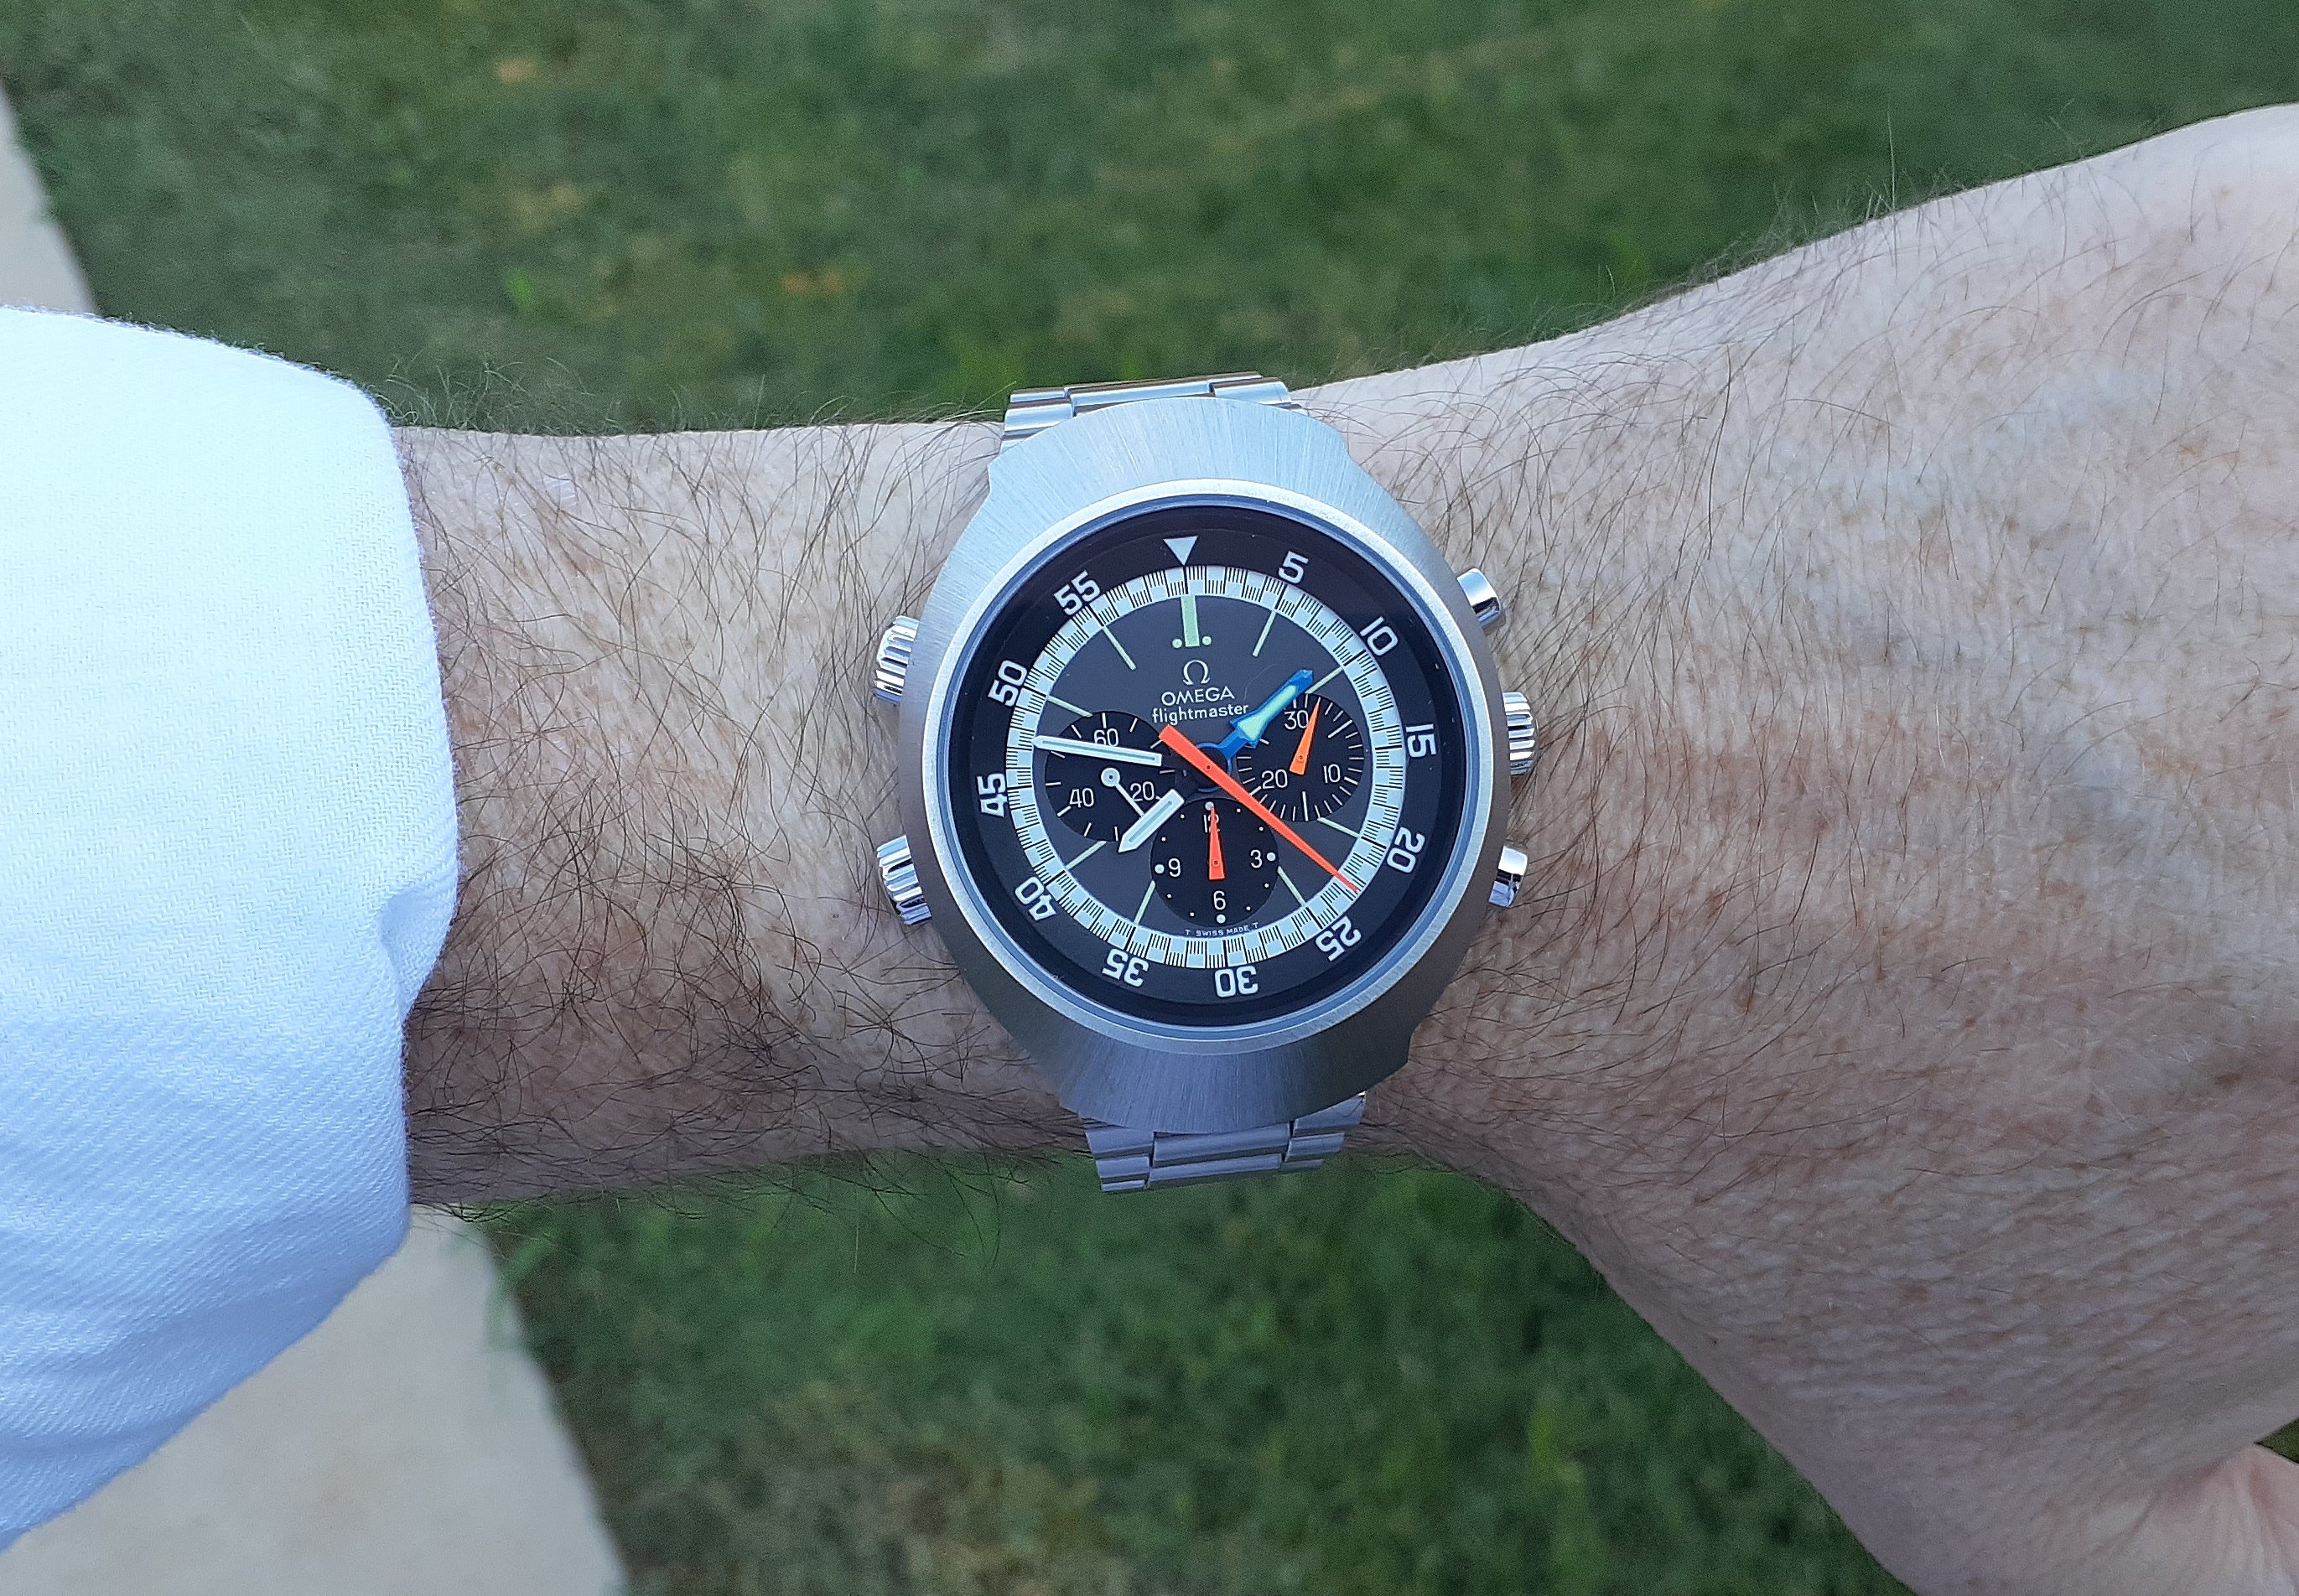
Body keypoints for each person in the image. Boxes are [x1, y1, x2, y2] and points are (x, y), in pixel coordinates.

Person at [2, 107, 2294, 1593]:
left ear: (1469, 711)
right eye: (1200, 777)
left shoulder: (1358, 749)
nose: (1215, 786)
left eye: (1253, 771)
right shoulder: (999, 796)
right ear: (927, 832)